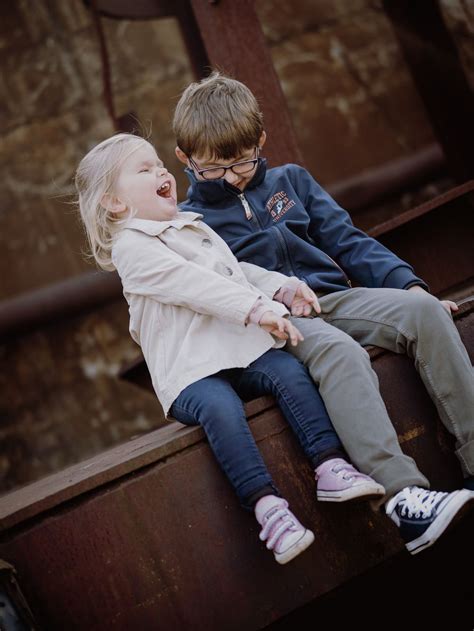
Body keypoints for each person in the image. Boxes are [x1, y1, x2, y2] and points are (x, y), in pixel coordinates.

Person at [173, 71, 474, 556]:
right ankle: (404, 496)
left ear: (261, 141)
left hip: (332, 298)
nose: (231, 177)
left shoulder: (292, 181)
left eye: (243, 162)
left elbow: (348, 241)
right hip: (278, 324)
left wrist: (410, 286)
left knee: (423, 311)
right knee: (340, 353)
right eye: (213, 169)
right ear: (185, 159)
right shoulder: (191, 226)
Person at [75, 132, 385, 565]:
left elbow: (232, 271)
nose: (162, 172)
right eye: (144, 170)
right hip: (190, 374)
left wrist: (282, 286)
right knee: (221, 408)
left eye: (159, 164)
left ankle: (329, 466)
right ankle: (267, 506)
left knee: (287, 371)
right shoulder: (132, 248)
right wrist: (257, 310)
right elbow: (194, 286)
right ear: (114, 203)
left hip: (234, 354)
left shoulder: (191, 226)